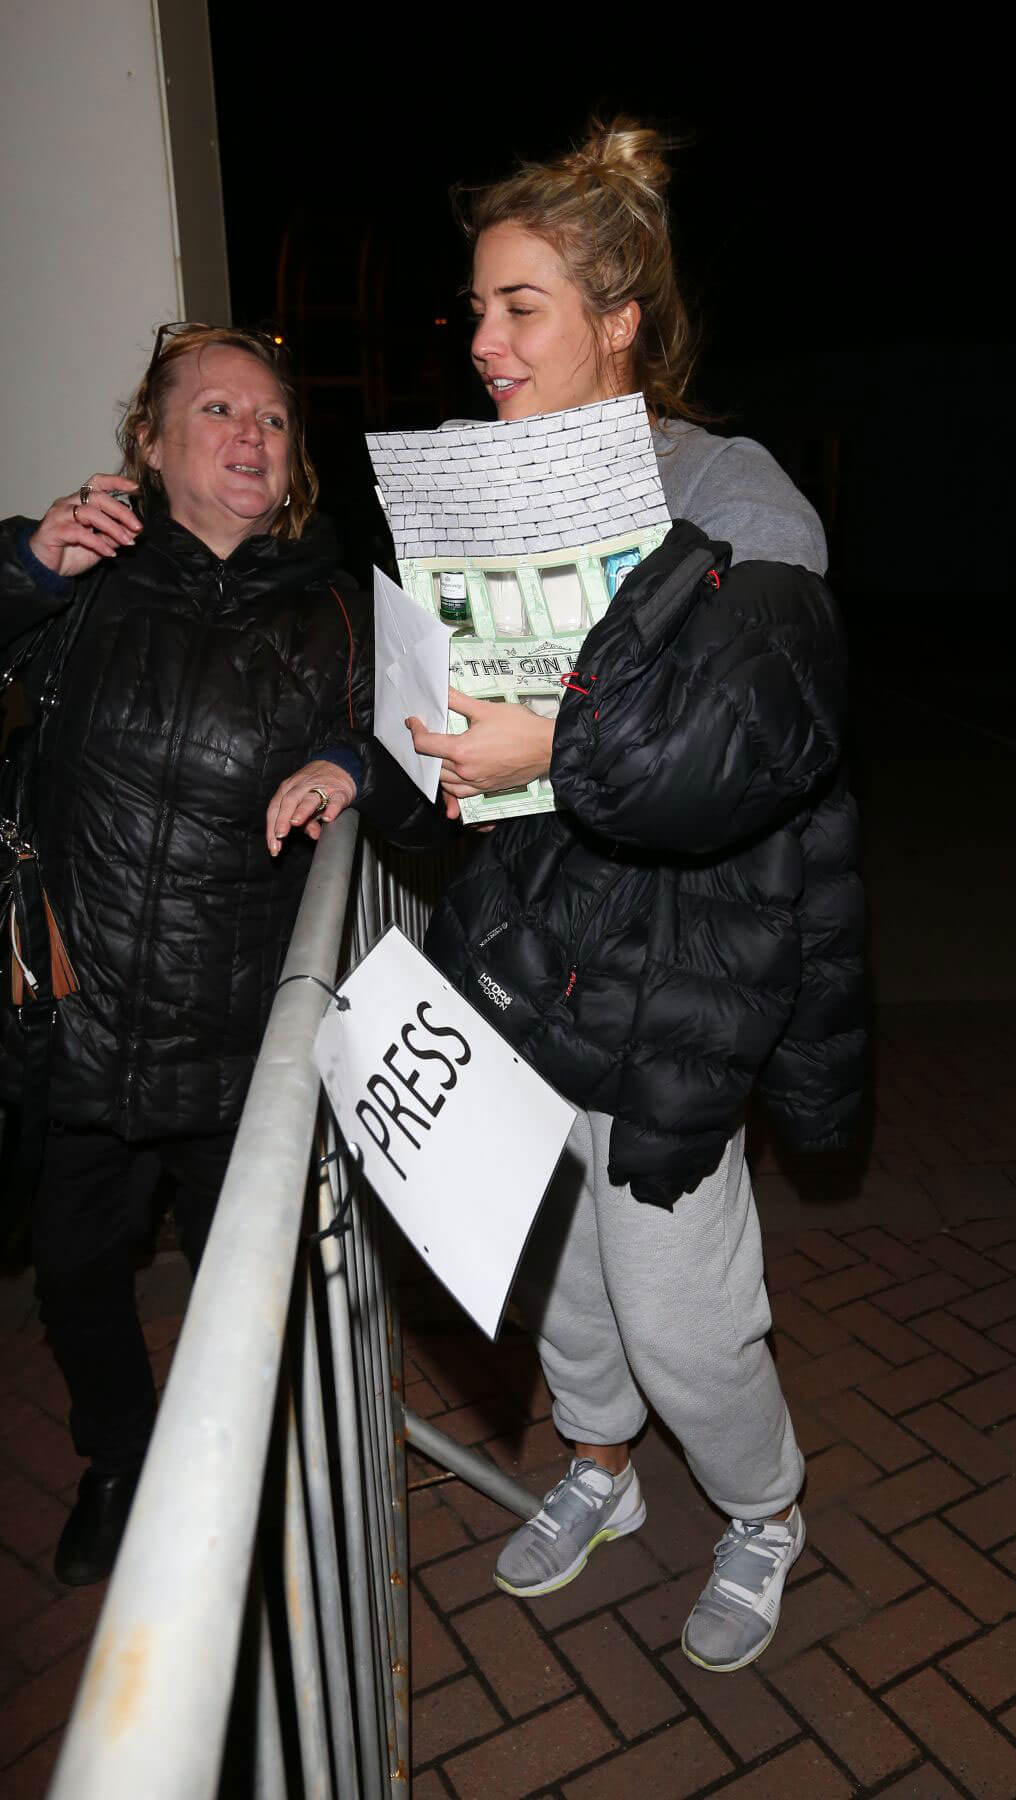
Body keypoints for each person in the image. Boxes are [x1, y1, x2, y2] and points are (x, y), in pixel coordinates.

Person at [275, 121, 866, 1673]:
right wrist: (378, 764)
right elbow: (447, 711)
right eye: (474, 311)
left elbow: (754, 735)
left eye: (519, 306)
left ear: (621, 320)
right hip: (541, 960)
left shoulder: (738, 495)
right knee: (572, 1287)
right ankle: (599, 1468)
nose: (482, 342)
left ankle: (763, 1511)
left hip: (689, 970)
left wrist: (564, 738)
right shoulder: (485, 492)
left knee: (681, 1310)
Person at [0, 324, 391, 1584]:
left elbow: (431, 745)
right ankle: (119, 1457)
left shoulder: (339, 606)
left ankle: (236, 1493)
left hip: (241, 1053)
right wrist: (24, 566)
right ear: (151, 444)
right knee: (76, 1277)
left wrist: (355, 761)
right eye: (216, 411)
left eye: (273, 419)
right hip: (82, 1028)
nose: (249, 436)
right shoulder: (86, 580)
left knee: (243, 1303)